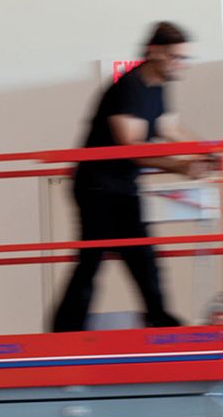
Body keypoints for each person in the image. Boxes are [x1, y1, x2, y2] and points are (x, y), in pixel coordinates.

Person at [51, 21, 209, 332]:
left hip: (122, 186)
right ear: (155, 52)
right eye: (176, 57)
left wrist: (207, 153)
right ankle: (65, 330)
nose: (181, 65)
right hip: (97, 185)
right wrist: (180, 166)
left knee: (141, 255)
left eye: (184, 58)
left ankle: (160, 320)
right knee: (93, 259)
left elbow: (169, 128)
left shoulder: (157, 87)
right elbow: (131, 147)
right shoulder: (129, 87)